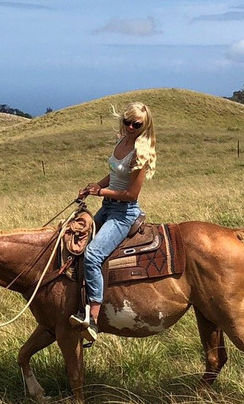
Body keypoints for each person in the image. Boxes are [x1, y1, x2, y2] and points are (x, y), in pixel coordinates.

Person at [70, 101, 157, 342]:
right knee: (73, 241)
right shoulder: (122, 141)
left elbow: (131, 194)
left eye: (136, 124)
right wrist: (97, 185)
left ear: (145, 125)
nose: (130, 126)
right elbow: (116, 173)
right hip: (108, 208)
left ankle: (94, 316)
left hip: (124, 213)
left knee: (93, 254)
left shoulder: (141, 152)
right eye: (127, 122)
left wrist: (101, 193)